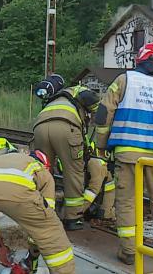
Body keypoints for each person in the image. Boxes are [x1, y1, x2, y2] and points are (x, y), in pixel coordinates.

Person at [93, 42, 153, 265]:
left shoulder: (125, 80)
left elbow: (104, 113)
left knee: (126, 202)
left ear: (139, 62)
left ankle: (129, 251)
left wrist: (101, 145)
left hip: (127, 153)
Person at [31, 84, 100, 231]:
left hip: (40, 127)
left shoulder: (56, 98)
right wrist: (99, 112)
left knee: (43, 172)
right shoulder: (79, 89)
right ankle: (73, 218)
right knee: (74, 173)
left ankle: (42, 214)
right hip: (66, 126)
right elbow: (92, 99)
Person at [82, 140, 116, 223]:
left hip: (97, 166)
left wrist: (75, 213)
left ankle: (78, 212)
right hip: (101, 170)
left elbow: (91, 193)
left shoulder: (95, 165)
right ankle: (104, 214)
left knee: (92, 193)